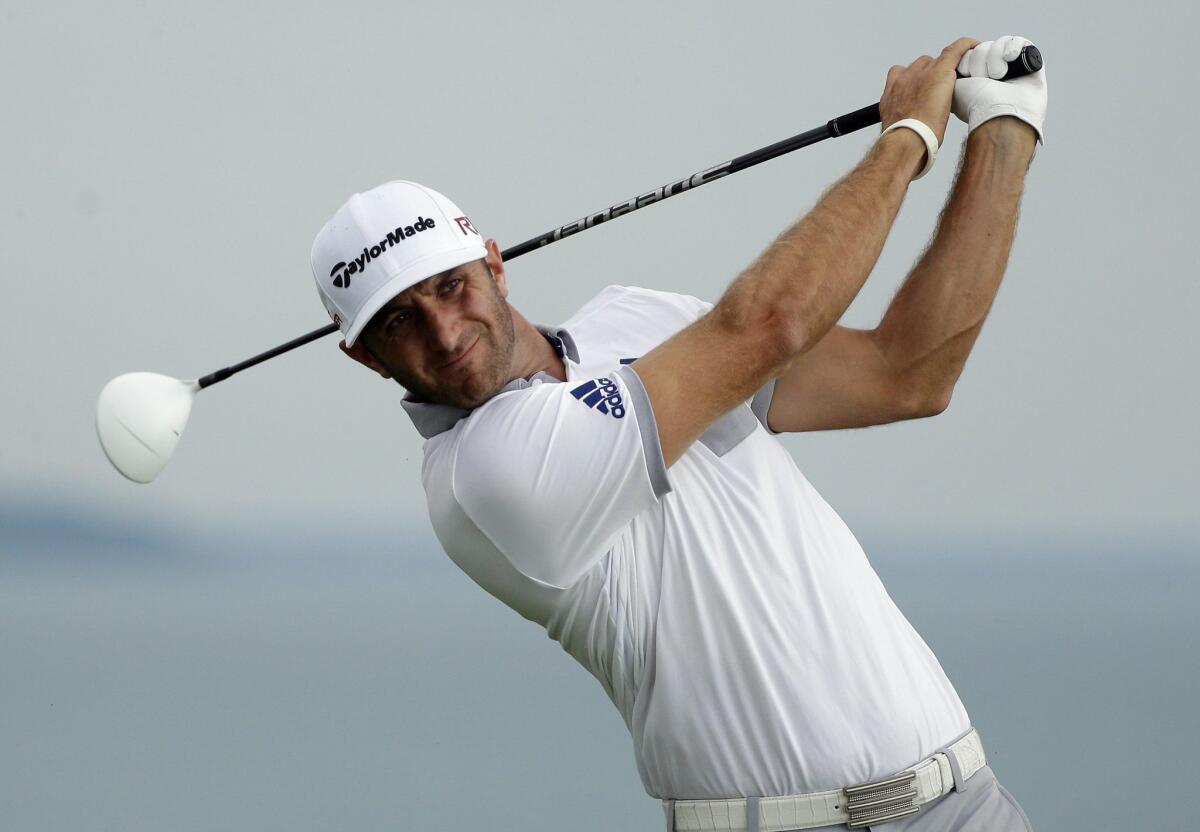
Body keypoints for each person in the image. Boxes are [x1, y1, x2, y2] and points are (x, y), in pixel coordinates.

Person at [310, 35, 1046, 832]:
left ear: (493, 263)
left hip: (969, 801)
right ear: (367, 360)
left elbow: (907, 374)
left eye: (451, 286)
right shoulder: (483, 476)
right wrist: (908, 138)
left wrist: (1004, 130)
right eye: (400, 322)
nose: (445, 332)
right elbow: (768, 322)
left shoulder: (640, 317)